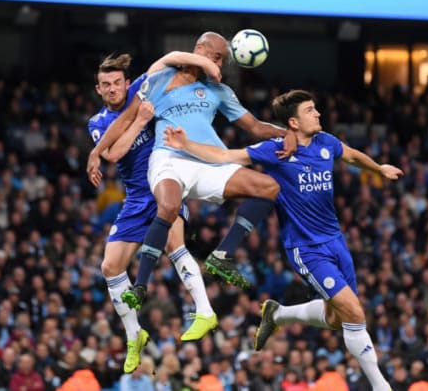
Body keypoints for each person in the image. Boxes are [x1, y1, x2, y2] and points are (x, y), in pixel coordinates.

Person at [162, 89, 403, 391]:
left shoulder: (326, 142)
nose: (318, 114)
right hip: (306, 249)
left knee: (338, 318)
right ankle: (381, 386)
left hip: (336, 241)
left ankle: (279, 314)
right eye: (310, 110)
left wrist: (378, 169)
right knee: (354, 312)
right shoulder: (275, 151)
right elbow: (225, 156)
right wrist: (185, 145)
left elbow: (352, 155)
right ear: (293, 122)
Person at [86, 31, 295, 308]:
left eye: (222, 61)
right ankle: (141, 295)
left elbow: (255, 127)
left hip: (207, 161)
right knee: (149, 236)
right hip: (168, 162)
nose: (218, 65)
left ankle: (221, 258)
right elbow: (125, 121)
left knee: (268, 187)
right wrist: (96, 151)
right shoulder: (159, 81)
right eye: (216, 58)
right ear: (200, 49)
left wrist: (288, 133)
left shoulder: (220, 91)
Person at [87, 53, 220, 373]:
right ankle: (135, 335)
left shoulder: (143, 89)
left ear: (127, 83)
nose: (113, 89)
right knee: (109, 266)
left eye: (117, 82)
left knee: (176, 246)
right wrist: (142, 121)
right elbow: (114, 153)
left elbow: (170, 58)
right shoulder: (97, 123)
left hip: (164, 182)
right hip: (135, 198)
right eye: (106, 85)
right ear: (98, 89)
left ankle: (205, 310)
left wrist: (206, 63)